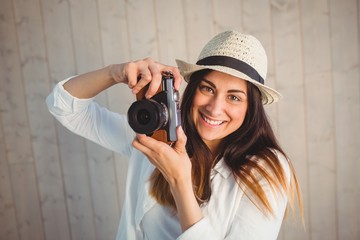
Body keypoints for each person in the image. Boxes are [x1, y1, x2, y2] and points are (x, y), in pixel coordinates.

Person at [46, 30, 302, 239]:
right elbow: (63, 106)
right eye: (207, 88)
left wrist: (179, 181)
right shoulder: (156, 136)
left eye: (234, 97)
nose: (214, 108)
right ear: (192, 90)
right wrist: (116, 72)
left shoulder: (267, 170)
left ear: (251, 108)